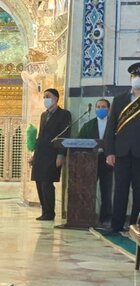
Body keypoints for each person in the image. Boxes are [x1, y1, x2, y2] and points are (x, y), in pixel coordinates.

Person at [103, 62, 140, 235]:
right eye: (135, 76)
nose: (137, 79)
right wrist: (109, 152)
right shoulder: (119, 101)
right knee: (120, 190)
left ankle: (135, 226)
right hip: (121, 154)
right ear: (130, 78)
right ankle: (116, 225)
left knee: (139, 191)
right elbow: (111, 129)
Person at [29, 88, 71, 221]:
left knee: (47, 182)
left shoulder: (64, 114)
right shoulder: (43, 115)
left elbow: (65, 135)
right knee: (39, 181)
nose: (45, 99)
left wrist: (61, 155)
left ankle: (49, 212)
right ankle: (44, 210)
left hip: (53, 154)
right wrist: (34, 155)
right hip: (41, 153)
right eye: (44, 97)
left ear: (56, 98)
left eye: (48, 96)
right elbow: (41, 136)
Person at [78, 98, 112, 225]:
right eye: (98, 107)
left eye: (103, 107)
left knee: (106, 190)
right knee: (88, 189)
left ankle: (106, 217)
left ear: (108, 109)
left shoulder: (114, 124)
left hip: (108, 161)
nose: (100, 109)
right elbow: (79, 141)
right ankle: (87, 216)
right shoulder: (88, 125)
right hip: (90, 161)